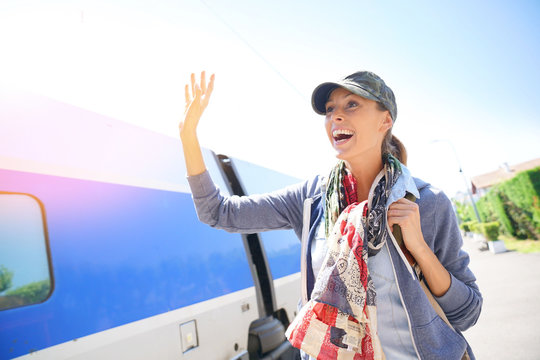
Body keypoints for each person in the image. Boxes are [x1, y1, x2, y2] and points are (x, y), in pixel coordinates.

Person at [180, 71, 482, 360]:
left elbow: (467, 313)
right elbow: (218, 212)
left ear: (385, 120)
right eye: (329, 109)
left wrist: (420, 251)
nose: (336, 116)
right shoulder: (311, 200)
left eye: (352, 104)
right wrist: (188, 137)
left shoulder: (428, 203)